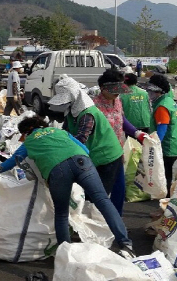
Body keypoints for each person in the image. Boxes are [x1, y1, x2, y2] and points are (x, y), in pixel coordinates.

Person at [0, 116, 133, 254]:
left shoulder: (29, 141)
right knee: (103, 201)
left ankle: (65, 253)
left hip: (57, 171)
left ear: (26, 132)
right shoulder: (60, 132)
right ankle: (125, 243)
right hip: (82, 162)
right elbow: (85, 149)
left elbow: (13, 160)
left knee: (61, 213)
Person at [49, 75, 125, 206]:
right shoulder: (72, 110)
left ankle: (104, 223)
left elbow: (80, 140)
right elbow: (66, 131)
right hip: (93, 155)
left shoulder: (88, 114)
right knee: (90, 194)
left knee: (98, 196)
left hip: (106, 157)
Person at [93, 70, 146, 214]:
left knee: (119, 189)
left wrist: (136, 133)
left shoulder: (117, 101)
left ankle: (117, 220)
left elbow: (122, 120)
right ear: (103, 88)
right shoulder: (93, 106)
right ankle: (98, 222)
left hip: (117, 151)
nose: (117, 94)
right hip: (100, 155)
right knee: (101, 192)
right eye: (114, 91)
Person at [144, 74, 177, 196]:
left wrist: (154, 146)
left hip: (167, 147)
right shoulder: (169, 100)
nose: (149, 94)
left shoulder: (162, 106)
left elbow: (162, 130)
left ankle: (165, 204)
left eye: (151, 91)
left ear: (159, 92)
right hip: (175, 143)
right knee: (169, 175)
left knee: (166, 177)